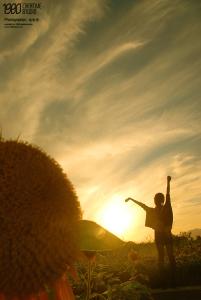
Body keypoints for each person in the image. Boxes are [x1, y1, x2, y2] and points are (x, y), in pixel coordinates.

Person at [125, 176, 176, 283]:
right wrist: (168, 181)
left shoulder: (154, 210)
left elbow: (142, 205)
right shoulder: (165, 207)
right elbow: (168, 193)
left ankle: (164, 281)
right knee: (170, 257)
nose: (155, 200)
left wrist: (130, 199)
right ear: (161, 200)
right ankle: (173, 280)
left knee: (162, 257)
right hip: (166, 235)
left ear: (156, 200)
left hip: (161, 236)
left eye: (155, 199)